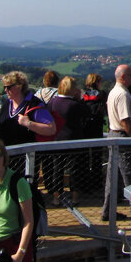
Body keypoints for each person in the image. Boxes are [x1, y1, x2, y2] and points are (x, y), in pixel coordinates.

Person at [102, 64, 131, 222]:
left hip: (113, 135)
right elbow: (125, 121)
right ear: (124, 77)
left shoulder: (113, 92)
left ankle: (108, 211)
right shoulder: (123, 95)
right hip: (123, 137)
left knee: (113, 178)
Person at [44, 76, 88, 205]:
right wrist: (80, 100)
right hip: (74, 140)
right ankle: (75, 197)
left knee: (57, 169)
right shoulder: (74, 104)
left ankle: (56, 197)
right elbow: (86, 113)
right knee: (74, 170)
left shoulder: (53, 102)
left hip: (57, 140)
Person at [0, 71, 56, 146]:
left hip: (27, 155)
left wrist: (28, 123)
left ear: (19, 86)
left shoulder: (34, 104)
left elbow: (51, 129)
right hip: (6, 153)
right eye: (4, 87)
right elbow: (0, 126)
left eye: (8, 87)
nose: (5, 90)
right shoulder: (7, 104)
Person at [81, 73, 108, 192]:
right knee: (97, 156)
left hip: (85, 128)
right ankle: (97, 183)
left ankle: (85, 184)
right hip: (97, 127)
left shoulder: (83, 95)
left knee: (85, 156)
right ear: (97, 82)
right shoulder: (102, 95)